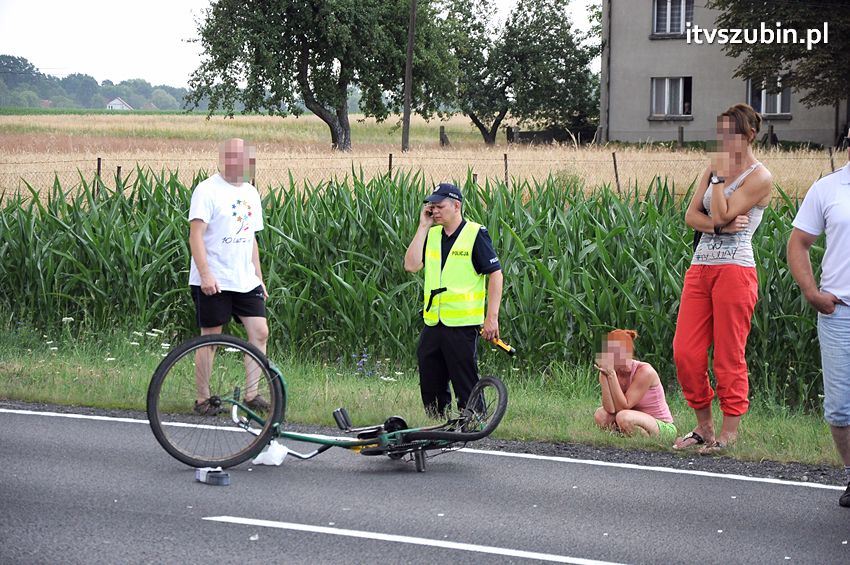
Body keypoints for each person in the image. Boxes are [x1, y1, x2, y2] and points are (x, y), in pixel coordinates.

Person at [672, 103, 773, 452]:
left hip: (735, 270)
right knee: (685, 352)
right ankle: (704, 427)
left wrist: (717, 184)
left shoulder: (759, 177)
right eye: (721, 132)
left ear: (750, 135)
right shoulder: (714, 167)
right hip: (700, 267)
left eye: (731, 133)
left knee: (728, 355)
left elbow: (720, 211)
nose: (724, 140)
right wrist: (721, 226)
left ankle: (729, 432)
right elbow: (691, 216)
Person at [787, 129, 850, 506]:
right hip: (840, 313)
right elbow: (798, 243)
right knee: (840, 408)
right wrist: (811, 292)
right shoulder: (828, 188)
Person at [403, 183, 504, 418]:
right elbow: (411, 265)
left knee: (464, 379)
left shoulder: (475, 234)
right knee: (430, 376)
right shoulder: (432, 234)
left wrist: (492, 317)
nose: (434, 211)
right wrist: (423, 226)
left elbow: (496, 274)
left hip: (462, 324)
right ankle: (437, 421)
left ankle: (474, 422)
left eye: (439, 206)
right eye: (432, 207)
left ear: (456, 206)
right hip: (433, 321)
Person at [188, 138, 270, 415]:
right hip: (214, 277)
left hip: (244, 278)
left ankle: (252, 395)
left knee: (260, 332)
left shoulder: (251, 192)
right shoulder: (207, 190)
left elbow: (251, 238)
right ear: (224, 160)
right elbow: (195, 235)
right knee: (211, 338)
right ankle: (203, 399)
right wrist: (205, 274)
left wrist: (258, 276)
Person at [594, 329, 676, 442]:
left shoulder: (645, 372)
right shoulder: (609, 371)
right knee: (601, 415)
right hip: (629, 416)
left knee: (623, 417)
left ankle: (649, 442)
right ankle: (624, 439)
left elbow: (624, 407)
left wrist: (611, 375)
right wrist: (604, 376)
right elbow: (610, 409)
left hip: (661, 425)